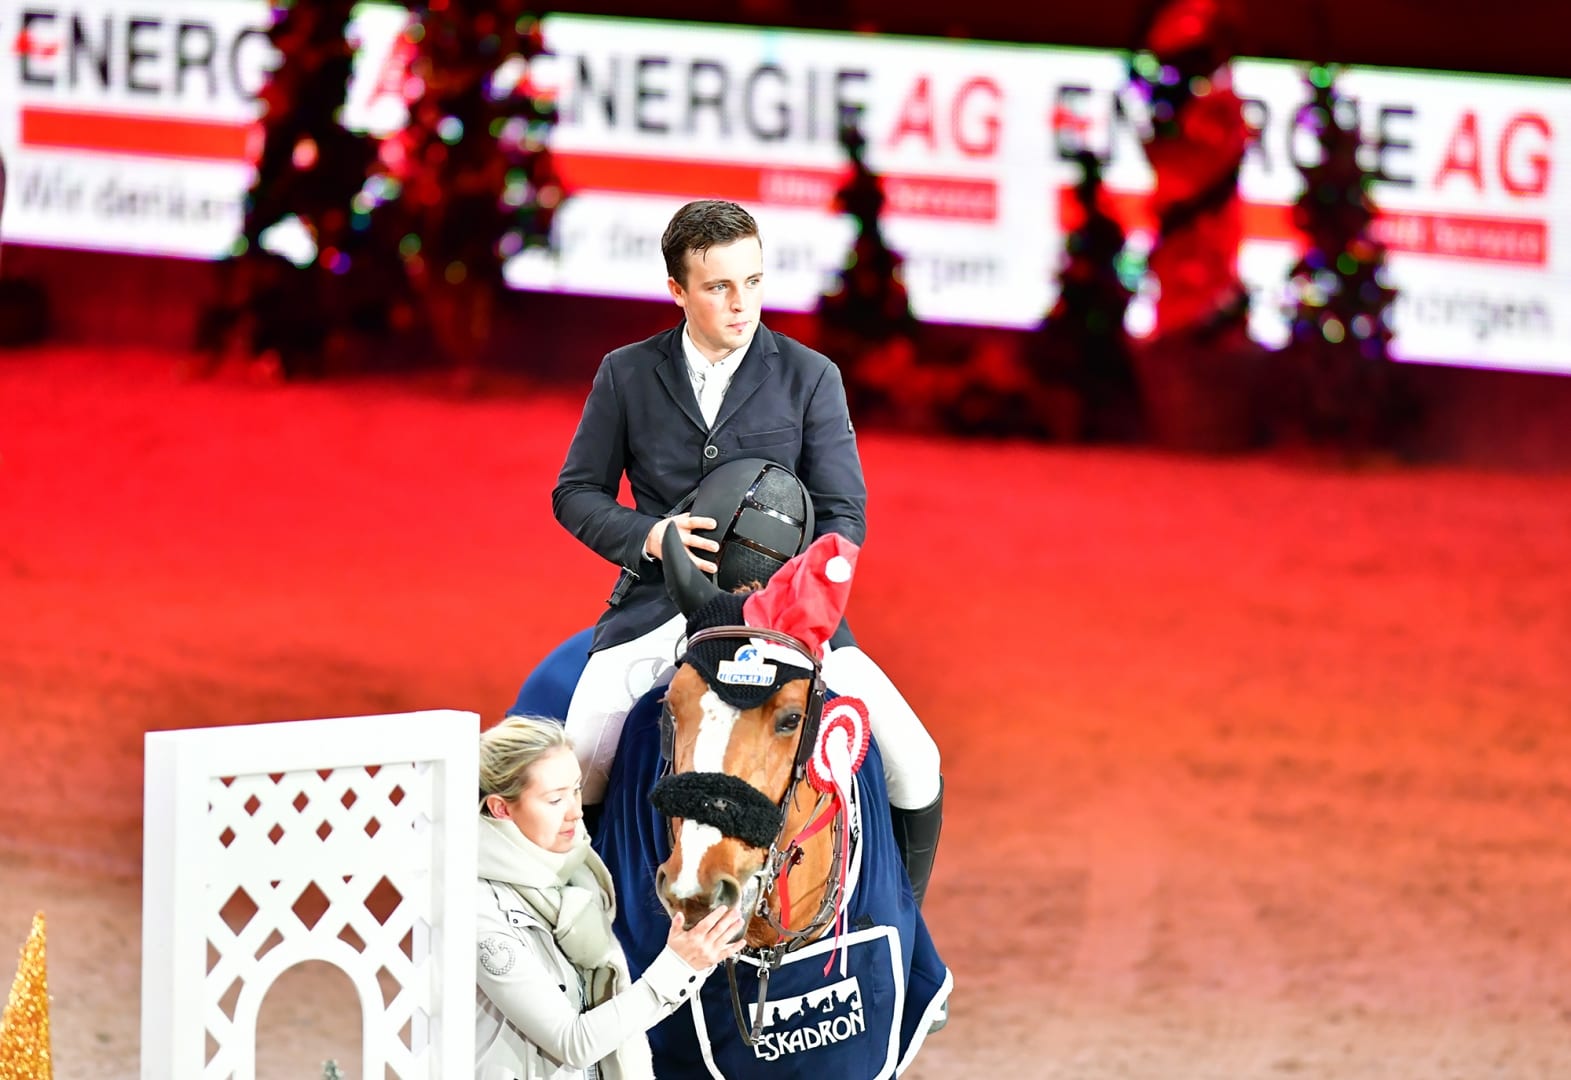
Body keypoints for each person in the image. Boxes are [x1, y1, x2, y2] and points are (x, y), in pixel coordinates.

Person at [551, 198, 945, 905]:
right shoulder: (625, 373)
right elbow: (575, 492)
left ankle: (905, 933)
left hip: (785, 613)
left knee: (915, 760)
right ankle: (585, 935)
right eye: (719, 287)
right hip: (660, 608)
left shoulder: (809, 375)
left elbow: (843, 511)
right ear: (677, 290)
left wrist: (799, 595)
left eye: (754, 282)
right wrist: (647, 535)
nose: (742, 305)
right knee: (580, 757)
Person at [476, 715, 745, 1079]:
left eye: (575, 790)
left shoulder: (581, 874)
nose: (575, 811)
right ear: (501, 808)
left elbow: (614, 1021)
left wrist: (693, 960)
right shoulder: (477, 907)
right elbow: (572, 1042)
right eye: (555, 799)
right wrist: (676, 967)